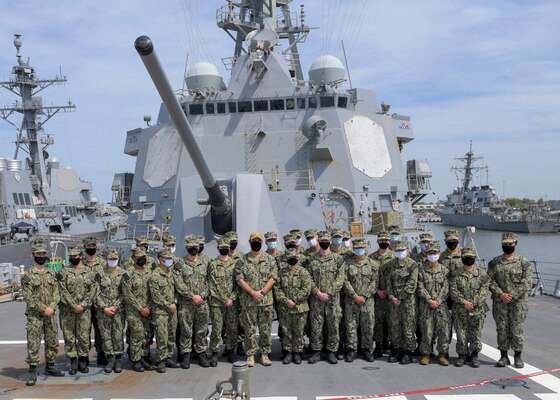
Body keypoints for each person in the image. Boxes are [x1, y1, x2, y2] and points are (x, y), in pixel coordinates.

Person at [22, 241, 65, 386]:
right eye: (38, 254)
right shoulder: (27, 276)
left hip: (50, 314)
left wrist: (52, 307)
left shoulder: (51, 273)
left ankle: (50, 366)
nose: (41, 256)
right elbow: (29, 296)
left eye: (43, 254)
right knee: (33, 343)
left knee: (52, 341)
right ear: (32, 255)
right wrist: (43, 309)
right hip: (35, 315)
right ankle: (32, 370)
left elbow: (57, 292)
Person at [488, 232, 532, 368]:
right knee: (501, 328)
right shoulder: (494, 262)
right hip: (500, 302)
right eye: (505, 244)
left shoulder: (524, 262)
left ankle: (518, 356)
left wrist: (511, 295)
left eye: (510, 244)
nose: (508, 246)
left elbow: (526, 282)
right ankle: (503, 356)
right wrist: (501, 294)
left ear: (516, 244)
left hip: (518, 302)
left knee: (516, 329)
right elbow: (489, 281)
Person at [236, 231, 278, 367]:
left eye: (258, 241)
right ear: (249, 243)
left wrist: (262, 292)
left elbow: (273, 278)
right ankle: (250, 355)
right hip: (249, 302)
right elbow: (239, 279)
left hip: (265, 301)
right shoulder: (242, 260)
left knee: (265, 329)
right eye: (254, 241)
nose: (256, 243)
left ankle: (265, 354)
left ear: (261, 243)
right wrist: (253, 293)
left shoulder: (270, 259)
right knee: (249, 329)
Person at [306, 231, 345, 365]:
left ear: (329, 242)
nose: (323, 243)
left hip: (332, 299)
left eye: (326, 241)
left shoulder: (338, 259)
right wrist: (317, 293)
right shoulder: (312, 259)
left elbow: (340, 278)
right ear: (318, 242)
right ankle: (317, 351)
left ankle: (331, 351)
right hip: (317, 299)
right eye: (321, 241)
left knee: (333, 325)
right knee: (316, 325)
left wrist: (328, 292)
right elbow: (308, 279)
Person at [174, 236, 211, 368]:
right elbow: (179, 283)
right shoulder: (180, 264)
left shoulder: (206, 263)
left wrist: (201, 296)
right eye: (190, 247)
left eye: (195, 247)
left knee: (202, 330)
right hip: (186, 304)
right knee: (186, 331)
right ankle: (185, 355)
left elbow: (210, 282)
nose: (193, 249)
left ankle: (201, 354)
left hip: (202, 303)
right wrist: (192, 296)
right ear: (186, 248)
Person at [450, 248, 490, 368]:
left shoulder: (482, 274)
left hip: (477, 310)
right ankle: (462, 355)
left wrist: (473, 302)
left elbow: (484, 291)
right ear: (462, 258)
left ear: (475, 258)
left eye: (471, 257)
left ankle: (474, 355)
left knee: (476, 333)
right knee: (461, 333)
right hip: (460, 309)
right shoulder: (455, 274)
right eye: (466, 257)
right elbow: (453, 291)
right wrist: (464, 302)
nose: (468, 259)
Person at [59, 245, 96, 375]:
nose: (73, 258)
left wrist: (83, 305)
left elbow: (93, 290)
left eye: (76, 256)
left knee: (83, 336)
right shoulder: (64, 272)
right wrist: (73, 305)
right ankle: (73, 361)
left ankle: (83, 360)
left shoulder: (89, 272)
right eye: (71, 257)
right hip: (68, 310)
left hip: (84, 311)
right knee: (69, 337)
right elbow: (62, 290)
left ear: (81, 256)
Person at [273, 248, 314, 365]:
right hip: (285, 308)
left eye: (294, 258)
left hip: (300, 308)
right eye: (290, 258)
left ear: (298, 258)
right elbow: (277, 289)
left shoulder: (304, 272)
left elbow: (306, 289)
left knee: (299, 331)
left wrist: (295, 300)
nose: (292, 260)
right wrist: (286, 301)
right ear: (286, 259)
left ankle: (297, 352)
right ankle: (288, 352)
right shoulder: (281, 273)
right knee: (286, 331)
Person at [342, 238, 380, 362]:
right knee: (351, 325)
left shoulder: (373, 264)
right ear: (354, 249)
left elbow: (375, 282)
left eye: (361, 248)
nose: (359, 250)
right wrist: (355, 296)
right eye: (357, 248)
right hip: (351, 301)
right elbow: (345, 281)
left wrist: (365, 295)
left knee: (368, 326)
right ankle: (352, 349)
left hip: (367, 302)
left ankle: (366, 349)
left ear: (365, 249)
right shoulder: (347, 264)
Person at [416, 242, 450, 366]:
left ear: (439, 254)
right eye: (430, 253)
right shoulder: (421, 270)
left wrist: (438, 301)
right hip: (426, 305)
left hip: (441, 306)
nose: (432, 255)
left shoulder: (445, 270)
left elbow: (446, 288)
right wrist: (429, 300)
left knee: (443, 331)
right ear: (426, 254)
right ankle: (426, 354)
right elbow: (419, 287)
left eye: (434, 253)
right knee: (426, 330)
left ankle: (442, 354)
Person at [386, 240, 418, 365]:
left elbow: (412, 283)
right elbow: (389, 283)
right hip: (394, 302)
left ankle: (408, 351)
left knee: (408, 327)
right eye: (398, 251)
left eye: (402, 250)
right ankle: (396, 349)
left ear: (407, 251)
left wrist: (400, 296)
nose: (400, 253)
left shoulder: (412, 265)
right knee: (395, 327)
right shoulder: (391, 265)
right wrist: (392, 296)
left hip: (407, 302)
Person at [208, 237, 239, 365]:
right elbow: (212, 284)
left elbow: (238, 283)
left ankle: (230, 350)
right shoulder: (213, 264)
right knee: (217, 328)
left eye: (226, 247)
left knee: (232, 327)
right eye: (222, 248)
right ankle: (214, 353)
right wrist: (223, 299)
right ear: (218, 249)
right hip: (217, 302)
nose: (224, 249)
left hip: (232, 303)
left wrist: (231, 298)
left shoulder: (235, 264)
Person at [122, 247, 153, 372]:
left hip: (148, 309)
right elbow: (128, 294)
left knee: (146, 334)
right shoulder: (127, 274)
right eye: (139, 258)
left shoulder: (150, 273)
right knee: (137, 334)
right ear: (133, 259)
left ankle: (144, 357)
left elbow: (153, 292)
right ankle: (136, 360)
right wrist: (140, 308)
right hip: (134, 311)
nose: (141, 260)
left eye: (143, 257)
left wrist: (148, 307)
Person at [94, 248, 125, 373]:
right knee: (105, 335)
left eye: (114, 259)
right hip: (103, 311)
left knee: (118, 334)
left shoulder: (123, 274)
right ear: (106, 259)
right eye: (110, 259)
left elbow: (124, 293)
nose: (113, 261)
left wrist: (116, 306)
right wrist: (104, 307)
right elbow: (95, 292)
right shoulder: (99, 273)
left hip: (118, 311)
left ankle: (118, 359)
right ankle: (110, 359)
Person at [149, 248, 180, 373]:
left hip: (172, 309)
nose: (170, 260)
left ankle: (168, 356)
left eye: (170, 258)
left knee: (171, 334)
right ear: (160, 260)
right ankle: (160, 360)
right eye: (167, 259)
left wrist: (175, 302)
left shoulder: (172, 273)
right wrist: (168, 304)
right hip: (160, 311)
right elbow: (155, 295)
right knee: (162, 336)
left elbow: (177, 290)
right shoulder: (154, 276)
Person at [369, 231, 395, 359]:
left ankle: (390, 344)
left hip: (391, 297)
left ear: (389, 242)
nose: (384, 242)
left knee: (391, 321)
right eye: (381, 240)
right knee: (378, 322)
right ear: (378, 241)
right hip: (377, 295)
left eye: (386, 240)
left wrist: (390, 293)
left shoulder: (395, 257)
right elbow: (369, 278)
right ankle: (378, 346)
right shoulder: (371, 257)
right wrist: (377, 291)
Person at [82, 235, 107, 366]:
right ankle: (84, 355)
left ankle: (101, 353)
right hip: (85, 304)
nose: (91, 248)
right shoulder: (80, 264)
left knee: (100, 329)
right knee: (84, 330)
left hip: (99, 303)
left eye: (93, 246)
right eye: (89, 246)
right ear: (84, 247)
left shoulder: (102, 263)